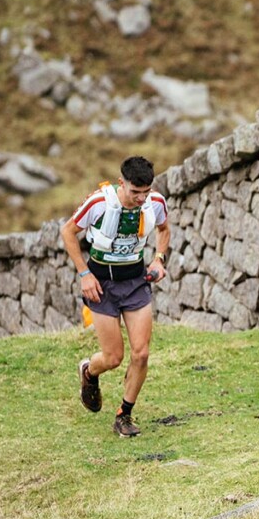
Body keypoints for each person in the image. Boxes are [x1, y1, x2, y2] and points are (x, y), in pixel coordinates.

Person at [59, 156, 171, 438]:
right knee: (113, 357)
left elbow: (164, 229)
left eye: (146, 191)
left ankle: (124, 415)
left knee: (141, 353)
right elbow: (68, 231)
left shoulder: (155, 202)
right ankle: (89, 372)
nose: (141, 198)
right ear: (122, 183)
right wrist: (85, 274)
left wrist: (159, 259)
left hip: (135, 282)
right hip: (102, 286)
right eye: (135, 192)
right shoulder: (99, 203)